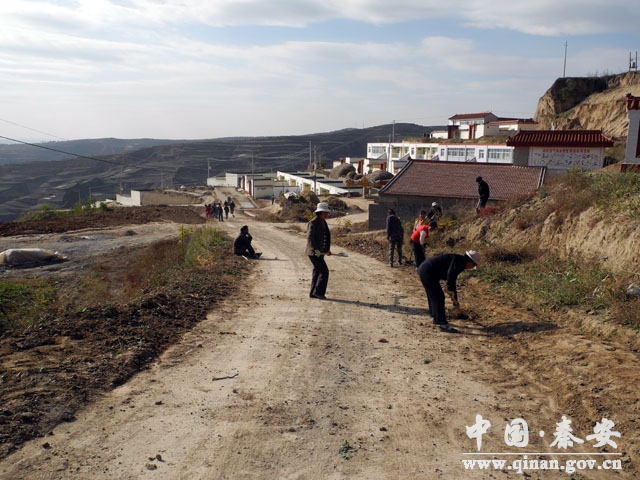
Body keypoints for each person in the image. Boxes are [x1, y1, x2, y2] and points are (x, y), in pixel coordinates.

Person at [417, 250, 480, 332]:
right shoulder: (460, 263)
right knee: (439, 297)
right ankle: (441, 323)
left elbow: (450, 276)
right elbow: (451, 276)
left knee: (433, 295)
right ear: (471, 262)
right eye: (474, 265)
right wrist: (451, 290)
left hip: (425, 269)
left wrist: (453, 295)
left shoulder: (460, 260)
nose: (472, 268)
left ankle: (435, 314)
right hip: (427, 271)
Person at [305, 202, 332, 299]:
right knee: (324, 272)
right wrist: (315, 250)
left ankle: (313, 293)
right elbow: (310, 238)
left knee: (317, 271)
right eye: (325, 212)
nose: (327, 214)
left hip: (321, 253)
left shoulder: (323, 222)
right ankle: (319, 293)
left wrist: (327, 249)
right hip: (313, 253)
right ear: (320, 212)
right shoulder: (313, 222)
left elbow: (326, 237)